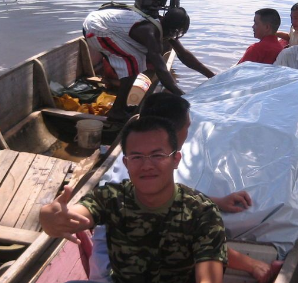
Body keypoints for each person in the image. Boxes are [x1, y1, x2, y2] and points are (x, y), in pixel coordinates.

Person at [90, 93, 283, 283]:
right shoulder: (143, 176)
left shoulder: (139, 161)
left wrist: (218, 201)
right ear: (172, 133)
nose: (189, 133)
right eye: (187, 127)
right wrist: (251, 264)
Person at [40, 116, 227, 283]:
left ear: (176, 159)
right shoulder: (112, 197)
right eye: (137, 157)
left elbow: (208, 276)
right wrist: (50, 219)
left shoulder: (202, 212)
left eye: (157, 155)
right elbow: (77, 215)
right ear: (126, 163)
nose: (147, 165)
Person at [83, 0, 214, 121]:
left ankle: (121, 106)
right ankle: (116, 111)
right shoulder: (149, 32)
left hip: (105, 26)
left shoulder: (162, 25)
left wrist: (211, 76)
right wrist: (184, 97)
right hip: (96, 27)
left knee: (135, 62)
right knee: (134, 61)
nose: (175, 36)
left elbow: (184, 56)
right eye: (177, 32)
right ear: (172, 29)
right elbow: (161, 69)